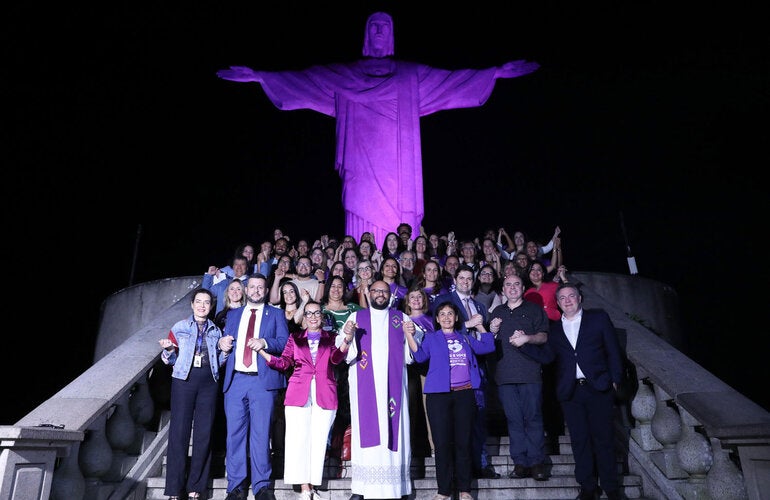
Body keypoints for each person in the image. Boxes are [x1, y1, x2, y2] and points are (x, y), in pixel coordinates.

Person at [216, 11, 539, 244]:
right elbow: (306, 80)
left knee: (401, 222)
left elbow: (451, 81)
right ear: (366, 34)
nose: (380, 30)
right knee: (360, 220)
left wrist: (494, 73)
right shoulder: (345, 74)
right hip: (360, 162)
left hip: (398, 166)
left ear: (392, 34)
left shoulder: (409, 74)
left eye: (385, 26)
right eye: (374, 25)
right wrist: (261, 77)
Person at [257, 300, 348, 500]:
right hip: (298, 392)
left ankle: (313, 484)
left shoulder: (332, 337)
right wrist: (263, 353)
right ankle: (304, 487)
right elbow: (284, 362)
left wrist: (346, 341)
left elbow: (335, 359)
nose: (313, 317)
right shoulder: (295, 338)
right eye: (309, 313)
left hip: (325, 393)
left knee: (318, 440)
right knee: (298, 439)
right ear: (304, 317)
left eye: (316, 313)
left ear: (322, 316)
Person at [405, 301, 495, 500]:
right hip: (439, 397)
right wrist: (409, 335)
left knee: (463, 443)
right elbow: (419, 357)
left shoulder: (465, 338)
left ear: (456, 318)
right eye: (442, 314)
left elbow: (488, 346)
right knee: (442, 444)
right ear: (437, 319)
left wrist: (480, 326)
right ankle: (444, 491)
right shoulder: (431, 338)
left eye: (450, 314)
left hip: (464, 394)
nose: (446, 317)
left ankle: (464, 490)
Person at [338, 280, 419, 500]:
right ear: (369, 293)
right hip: (364, 384)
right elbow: (342, 348)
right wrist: (347, 334)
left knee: (395, 431)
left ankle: (397, 488)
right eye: (376, 291)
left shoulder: (401, 318)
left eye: (384, 291)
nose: (380, 294)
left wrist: (412, 333)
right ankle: (361, 488)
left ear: (390, 295)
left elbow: (415, 350)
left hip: (394, 385)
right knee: (365, 431)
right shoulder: (356, 317)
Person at [548, 283, 624, 500]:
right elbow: (548, 357)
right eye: (562, 298)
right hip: (571, 392)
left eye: (571, 296)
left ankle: (610, 487)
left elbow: (613, 350)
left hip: (598, 387)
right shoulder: (554, 329)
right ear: (558, 303)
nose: (567, 300)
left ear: (579, 298)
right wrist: (525, 342)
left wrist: (615, 379)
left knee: (604, 439)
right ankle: (588, 487)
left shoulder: (598, 318)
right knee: (579, 441)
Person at [217, 274, 289, 500]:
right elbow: (225, 343)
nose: (256, 290)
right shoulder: (233, 314)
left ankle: (262, 486)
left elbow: (285, 344)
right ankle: (236, 486)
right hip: (236, 381)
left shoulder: (276, 314)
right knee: (234, 435)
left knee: (261, 434)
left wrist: (265, 342)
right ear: (246, 290)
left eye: (260, 287)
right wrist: (221, 343)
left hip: (262, 381)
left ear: (266, 291)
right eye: (252, 287)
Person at [159, 288, 227, 500]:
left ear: (211, 306)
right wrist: (169, 350)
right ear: (192, 304)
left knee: (203, 434)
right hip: (183, 381)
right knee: (179, 433)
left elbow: (219, 361)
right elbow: (169, 360)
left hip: (209, 383)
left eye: (206, 302)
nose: (202, 306)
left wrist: (225, 351)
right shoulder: (179, 327)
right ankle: (174, 489)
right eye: (198, 301)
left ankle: (195, 487)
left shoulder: (216, 330)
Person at [432, 264, 499, 479]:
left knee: (477, 418)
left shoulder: (479, 306)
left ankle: (480, 464)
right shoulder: (444, 301)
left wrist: (489, 331)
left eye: (469, 278)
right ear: (455, 280)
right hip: (453, 372)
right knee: (454, 425)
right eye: (461, 278)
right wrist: (468, 324)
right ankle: (458, 470)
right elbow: (439, 331)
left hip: (476, 368)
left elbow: (482, 337)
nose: (466, 282)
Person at [488, 273, 554, 482]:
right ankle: (520, 463)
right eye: (508, 284)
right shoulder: (497, 312)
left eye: (517, 284)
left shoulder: (534, 310)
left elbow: (543, 336)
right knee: (514, 419)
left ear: (523, 288)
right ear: (503, 290)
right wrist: (492, 330)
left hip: (530, 373)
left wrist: (527, 338)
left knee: (533, 418)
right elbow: (489, 342)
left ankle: (537, 462)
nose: (512, 287)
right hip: (505, 375)